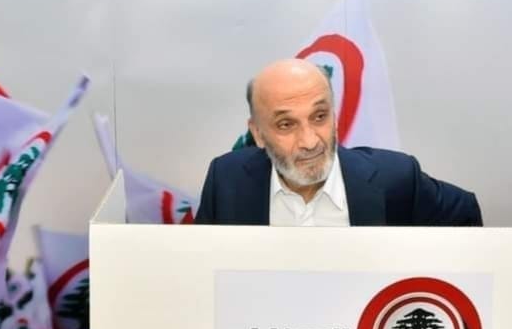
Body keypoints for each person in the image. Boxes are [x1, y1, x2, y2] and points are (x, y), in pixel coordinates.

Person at [195, 59, 482, 226]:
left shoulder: (396, 178)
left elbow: (466, 214)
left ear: (334, 116)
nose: (309, 142)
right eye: (286, 124)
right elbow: (201, 271)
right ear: (258, 133)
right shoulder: (227, 180)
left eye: (319, 116)